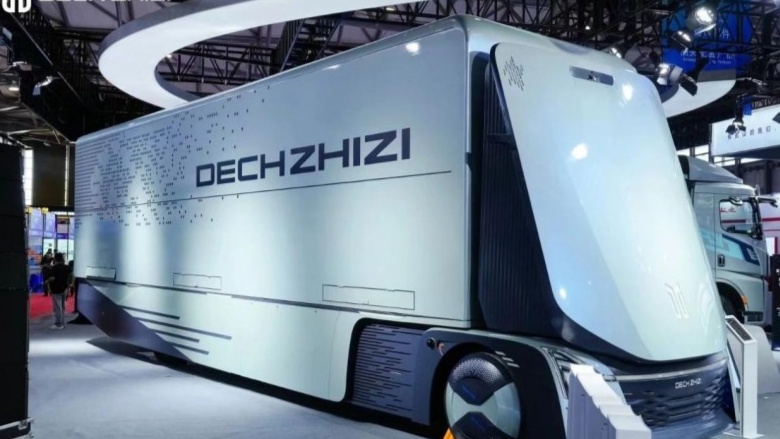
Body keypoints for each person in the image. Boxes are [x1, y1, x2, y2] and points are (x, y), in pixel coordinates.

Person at [47, 253, 72, 330]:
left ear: (55, 259)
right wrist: (70, 284)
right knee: (62, 306)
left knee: (58, 307)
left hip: (56, 289)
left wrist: (46, 281)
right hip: (64, 288)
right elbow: (71, 275)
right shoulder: (66, 267)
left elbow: (52, 278)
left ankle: (59, 324)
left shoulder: (54, 268)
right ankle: (62, 322)